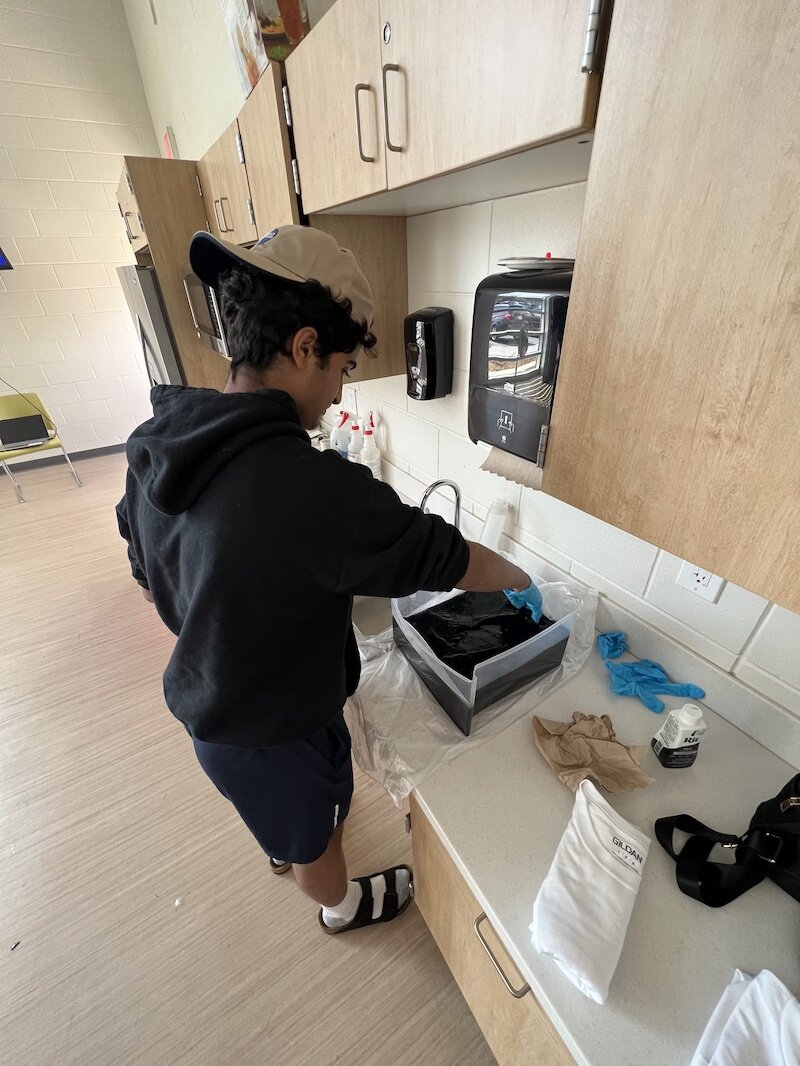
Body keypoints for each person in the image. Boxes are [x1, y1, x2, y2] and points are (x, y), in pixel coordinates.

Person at [116, 226, 538, 934]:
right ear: (305, 347)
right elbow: (450, 558)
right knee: (317, 834)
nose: (340, 394)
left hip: (209, 702)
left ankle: (285, 843)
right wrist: (524, 582)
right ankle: (339, 908)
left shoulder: (163, 437)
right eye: (342, 367)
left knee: (286, 813)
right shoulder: (315, 491)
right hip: (272, 730)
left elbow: (144, 566)